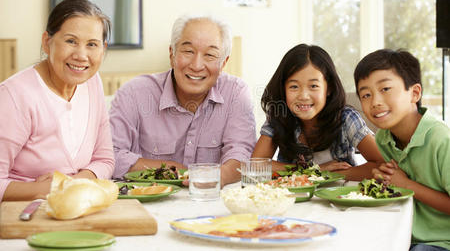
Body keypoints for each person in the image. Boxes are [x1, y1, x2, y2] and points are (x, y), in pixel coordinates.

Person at [109, 14, 256, 186]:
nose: (196, 65)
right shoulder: (134, 93)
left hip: (211, 200)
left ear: (223, 63)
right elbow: (111, 155)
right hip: (148, 204)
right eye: (188, 51)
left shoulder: (236, 93)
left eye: (210, 55)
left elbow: (241, 153)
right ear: (172, 54)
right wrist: (171, 169)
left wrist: (212, 178)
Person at [0, 0, 115, 201]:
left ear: (103, 48)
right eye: (71, 41)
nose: (81, 55)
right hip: (23, 217)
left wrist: (73, 183)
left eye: (92, 44)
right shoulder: (14, 96)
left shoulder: (92, 82)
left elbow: (104, 160)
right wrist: (50, 189)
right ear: (47, 42)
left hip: (75, 207)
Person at [354, 49, 450, 251]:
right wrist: (385, 181)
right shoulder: (384, 138)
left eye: (385, 89)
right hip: (403, 234)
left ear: (414, 93)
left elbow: (406, 185)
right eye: (366, 94)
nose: (375, 102)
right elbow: (398, 186)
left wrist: (406, 185)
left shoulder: (441, 140)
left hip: (439, 242)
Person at [252, 44, 383, 180]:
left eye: (313, 86)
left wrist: (330, 174)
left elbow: (382, 165)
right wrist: (312, 170)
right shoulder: (280, 116)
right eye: (294, 86)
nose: (303, 96)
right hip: (295, 199)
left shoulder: (346, 118)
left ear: (329, 88)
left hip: (338, 197)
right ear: (283, 89)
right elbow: (255, 166)